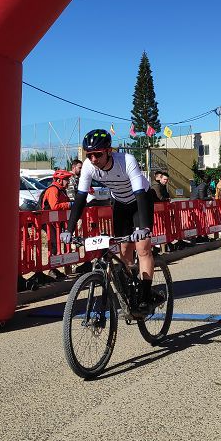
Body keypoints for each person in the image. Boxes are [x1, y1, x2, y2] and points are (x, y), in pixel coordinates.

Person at [61, 130, 158, 313]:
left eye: (98, 154)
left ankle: (145, 296)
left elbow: (139, 194)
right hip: (120, 203)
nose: (93, 159)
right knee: (124, 251)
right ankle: (130, 294)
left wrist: (144, 227)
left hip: (140, 201)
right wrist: (69, 229)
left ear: (109, 151)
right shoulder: (89, 167)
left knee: (142, 248)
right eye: (89, 155)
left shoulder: (126, 160)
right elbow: (80, 199)